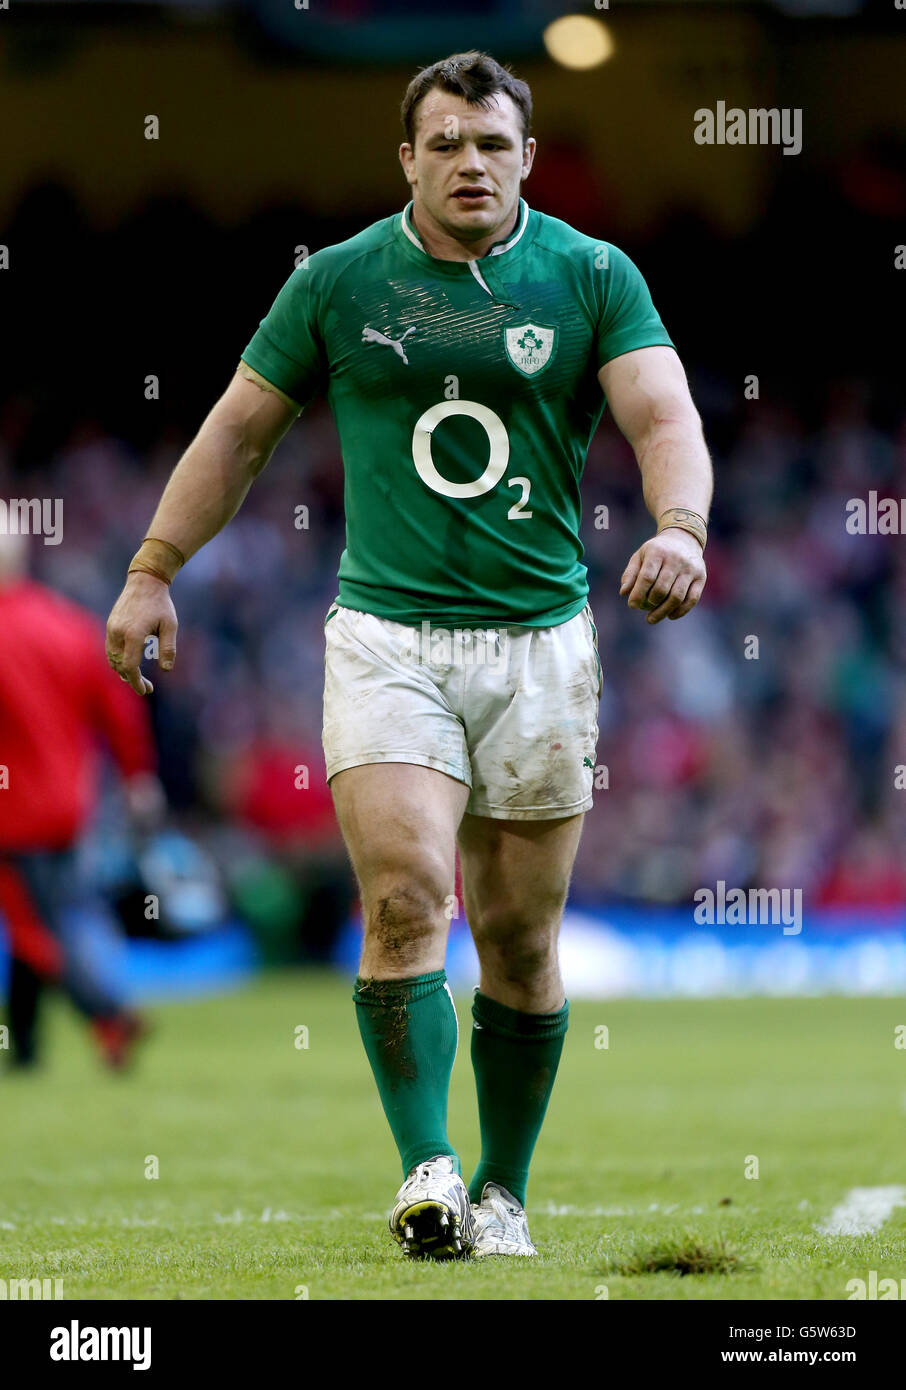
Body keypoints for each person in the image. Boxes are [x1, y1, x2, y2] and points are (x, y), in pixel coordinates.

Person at [105, 51, 712, 1258]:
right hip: (389, 637)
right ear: (408, 159)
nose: (470, 164)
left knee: (522, 940)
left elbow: (664, 413)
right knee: (403, 896)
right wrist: (151, 566)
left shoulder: (593, 275)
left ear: (527, 156)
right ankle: (425, 1166)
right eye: (445, 144)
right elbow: (236, 432)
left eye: (492, 144)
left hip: (540, 643)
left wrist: (683, 526)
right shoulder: (334, 284)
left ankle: (502, 1190)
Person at [0, 533, 161, 1070]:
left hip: (12, 815)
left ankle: (109, 1013)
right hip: (70, 807)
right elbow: (120, 708)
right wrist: (138, 778)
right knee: (54, 917)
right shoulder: (69, 626)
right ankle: (26, 1050)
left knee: (38, 929)